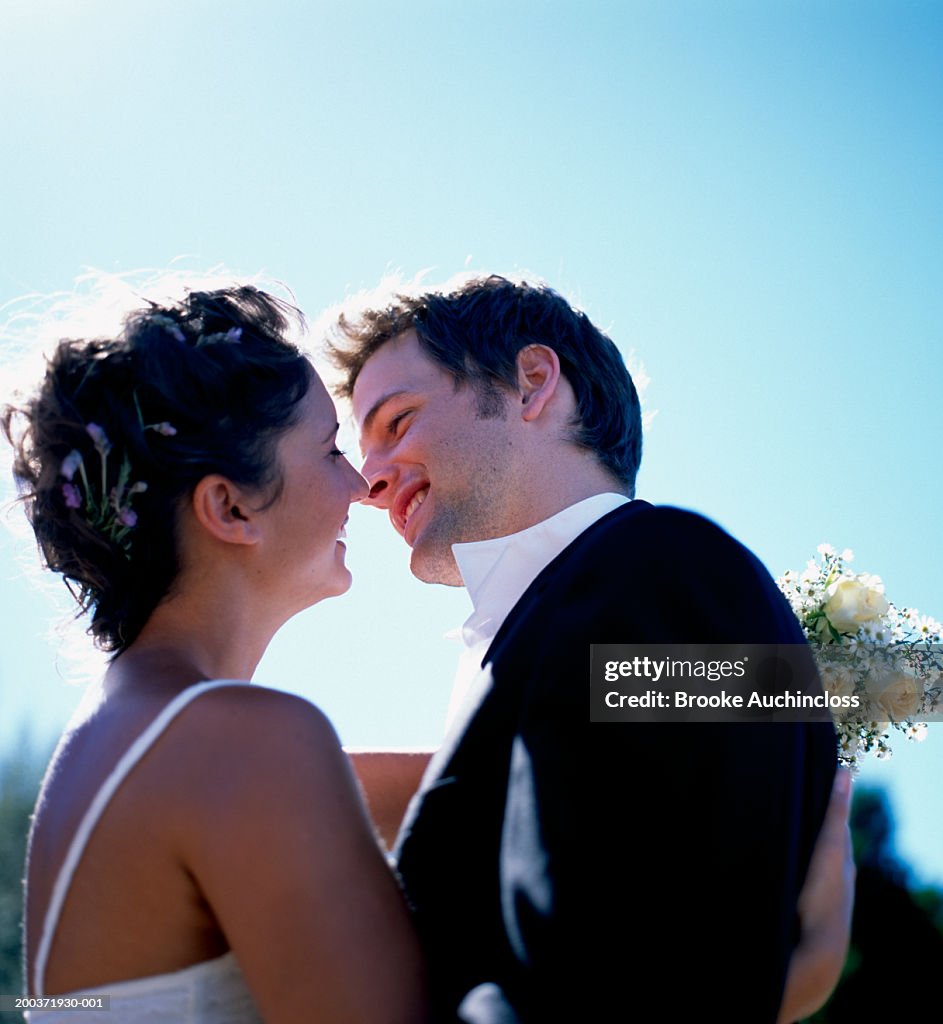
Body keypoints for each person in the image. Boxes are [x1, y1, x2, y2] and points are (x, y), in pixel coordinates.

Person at [329, 274, 853, 1024]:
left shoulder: (663, 573)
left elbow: (619, 984)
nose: (369, 480)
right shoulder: (559, 625)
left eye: (398, 421)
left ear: (533, 383)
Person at [3, 286, 427, 1023]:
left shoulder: (132, 741)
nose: (362, 486)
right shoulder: (242, 745)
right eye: (329, 449)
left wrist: (674, 696)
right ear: (230, 509)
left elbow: (475, 775)